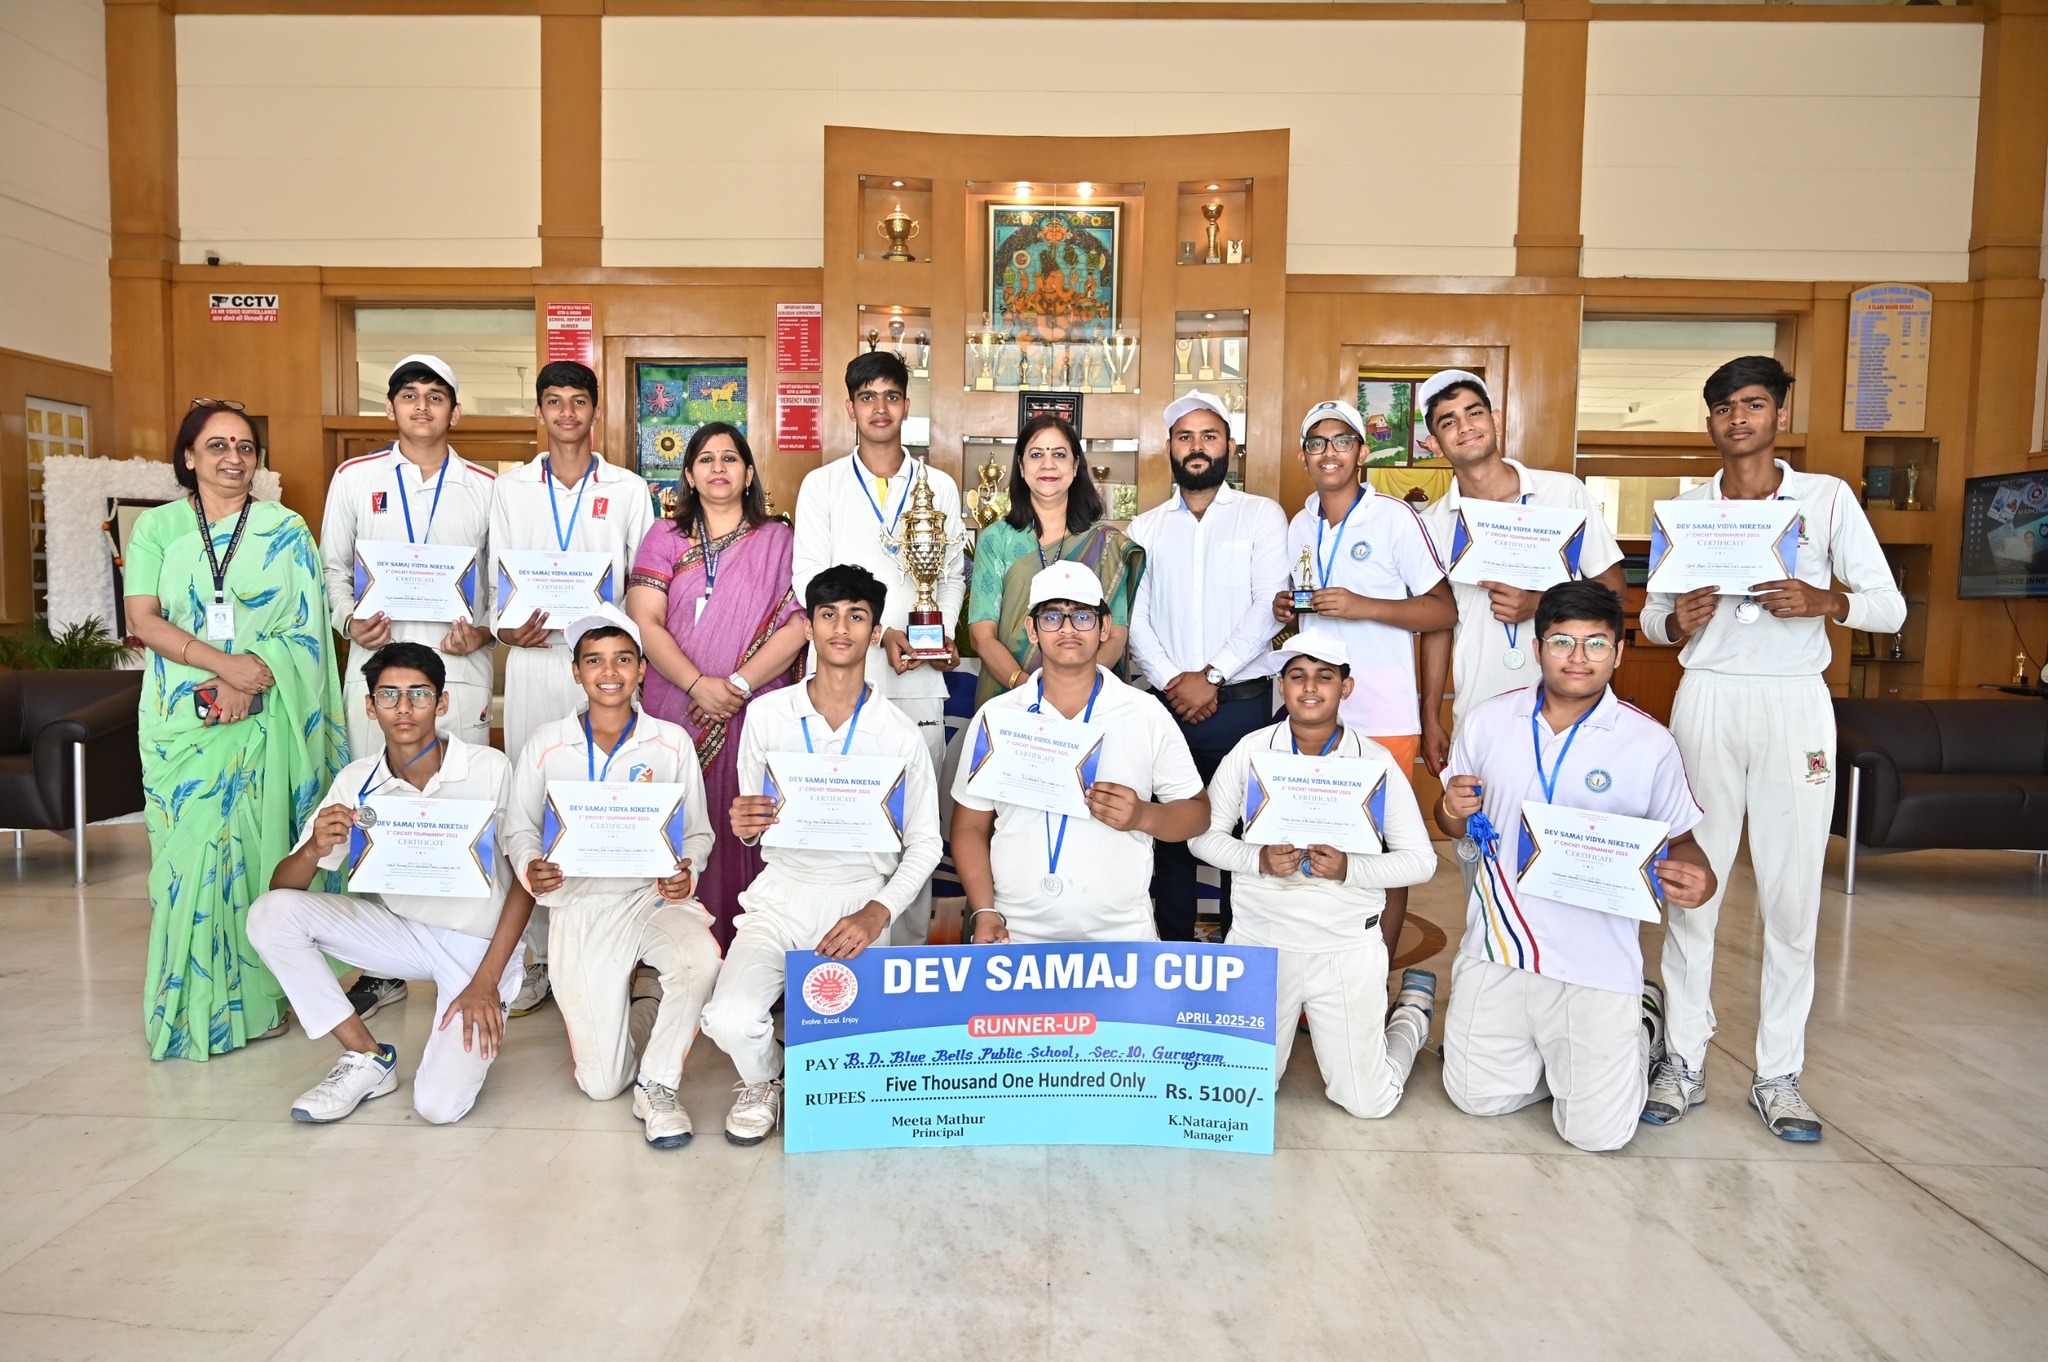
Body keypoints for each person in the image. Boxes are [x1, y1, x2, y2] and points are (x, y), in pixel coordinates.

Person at [1639, 356, 1903, 1142]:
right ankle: (1683, 1060)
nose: (1738, 419)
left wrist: (1827, 600)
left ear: (1780, 415)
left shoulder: (1825, 499)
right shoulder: (1686, 509)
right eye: (1724, 407)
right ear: (1710, 421)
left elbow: (1889, 607)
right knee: (1691, 883)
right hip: (1708, 696)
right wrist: (1676, 619)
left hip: (1794, 702)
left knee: (1792, 895)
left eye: (1753, 404)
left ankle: (1778, 1074)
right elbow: (1649, 620)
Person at [1434, 581, 1717, 1152]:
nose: (1578, 657)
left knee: (1597, 1136)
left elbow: (1683, 841)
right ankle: (1558, 1061)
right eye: (1562, 641)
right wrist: (1451, 809)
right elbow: (1454, 826)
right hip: (1499, 946)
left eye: (1596, 644)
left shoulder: (1649, 742)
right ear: (1538, 647)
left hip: (1597, 961)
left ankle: (1641, 1021)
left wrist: (1698, 878)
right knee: (1476, 1098)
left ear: (1619, 652)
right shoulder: (1489, 721)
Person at [125, 399, 347, 1060]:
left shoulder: (285, 530)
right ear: (188, 456)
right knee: (185, 860)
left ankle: (259, 1001)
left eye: (245, 447)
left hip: (263, 715)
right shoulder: (158, 528)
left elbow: (307, 631)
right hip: (180, 717)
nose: (233, 457)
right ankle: (189, 1005)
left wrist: (251, 679)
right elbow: (144, 619)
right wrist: (224, 667)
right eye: (217, 445)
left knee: (256, 853)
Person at [700, 564, 942, 1145]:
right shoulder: (767, 715)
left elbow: (926, 843)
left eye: (856, 617)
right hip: (781, 894)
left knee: (851, 1069)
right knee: (728, 1018)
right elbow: (754, 822)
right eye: (828, 615)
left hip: (860, 898)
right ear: (807, 627)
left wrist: (876, 913)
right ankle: (765, 1078)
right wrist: (745, 825)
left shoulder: (899, 732)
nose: (841, 628)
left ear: (875, 631)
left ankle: (816, 1064)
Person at [247, 642, 531, 1124]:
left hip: (480, 947)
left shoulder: (490, 768)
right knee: (269, 914)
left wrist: (486, 982)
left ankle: (478, 1007)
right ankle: (367, 1057)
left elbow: (525, 882)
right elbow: (282, 887)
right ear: (370, 705)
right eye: (388, 695)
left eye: (419, 694)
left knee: (439, 1108)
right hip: (404, 935)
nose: (403, 707)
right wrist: (314, 849)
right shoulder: (357, 780)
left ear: (442, 702)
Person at [1189, 630, 1439, 1118]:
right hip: (1261, 943)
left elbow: (1420, 860)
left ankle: (1412, 1010)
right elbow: (1202, 837)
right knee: (1241, 1096)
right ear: (1281, 685)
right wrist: (1258, 859)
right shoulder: (1251, 751)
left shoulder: (1375, 761)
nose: (1309, 687)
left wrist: (1350, 868)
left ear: (1346, 687)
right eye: (1297, 675)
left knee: (1368, 1102)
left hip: (1344, 946)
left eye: (1324, 677)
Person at [322, 354, 498, 1024]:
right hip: (378, 666)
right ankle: (379, 967)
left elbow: (500, 580)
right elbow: (332, 568)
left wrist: (484, 628)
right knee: (376, 806)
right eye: (409, 395)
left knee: (460, 805)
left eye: (435, 396)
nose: (422, 407)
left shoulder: (486, 487)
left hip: (458, 669)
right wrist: (348, 620)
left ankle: (464, 956)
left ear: (455, 410)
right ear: (391, 407)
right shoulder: (354, 478)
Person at [503, 606, 720, 1149]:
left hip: (651, 897)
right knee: (601, 1085)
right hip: (580, 905)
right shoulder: (546, 743)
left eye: (623, 659)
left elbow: (697, 833)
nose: (609, 672)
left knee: (698, 961)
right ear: (575, 671)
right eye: (594, 660)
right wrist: (531, 867)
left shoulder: (670, 742)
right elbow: (518, 828)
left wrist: (687, 871)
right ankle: (646, 1010)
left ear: (642, 669)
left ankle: (658, 1085)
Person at [490, 360, 655, 1017]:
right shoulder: (511, 489)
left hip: (607, 667)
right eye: (554, 402)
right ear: (540, 412)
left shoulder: (628, 488)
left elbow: (643, 582)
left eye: (578, 402)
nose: (566, 413)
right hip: (535, 660)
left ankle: (624, 951)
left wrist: (627, 651)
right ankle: (538, 955)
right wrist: (505, 629)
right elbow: (496, 583)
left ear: (595, 411)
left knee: (613, 797)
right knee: (534, 801)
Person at [791, 350, 965, 945]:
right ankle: (832, 955)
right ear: (851, 408)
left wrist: (938, 634)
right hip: (841, 677)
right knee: (840, 821)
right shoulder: (822, 485)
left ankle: (905, 961)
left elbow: (951, 575)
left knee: (915, 828)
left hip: (918, 677)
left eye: (891, 396)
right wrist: (883, 631)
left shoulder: (939, 486)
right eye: (868, 397)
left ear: (907, 406)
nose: (880, 408)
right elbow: (809, 578)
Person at [1274, 399, 1457, 954]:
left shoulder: (1394, 518)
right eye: (1316, 442)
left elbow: (1443, 610)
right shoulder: (1300, 523)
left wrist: (1363, 605)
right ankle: (1325, 964)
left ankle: (1375, 975)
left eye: (1341, 441)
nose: (1328, 452)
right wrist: (1287, 609)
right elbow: (1310, 609)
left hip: (1383, 714)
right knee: (1318, 842)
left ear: (1361, 453)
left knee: (1384, 850)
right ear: (1304, 455)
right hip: (1313, 716)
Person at [952, 561, 1208, 945]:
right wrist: (985, 911)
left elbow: (1198, 814)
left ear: (1104, 627)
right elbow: (970, 826)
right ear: (1032, 629)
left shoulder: (1144, 712)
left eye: (1082, 616)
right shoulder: (999, 715)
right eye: (1052, 616)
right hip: (1015, 931)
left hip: (1122, 933)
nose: (1068, 629)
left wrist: (1143, 815)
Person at [626, 421, 809, 948]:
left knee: (749, 820)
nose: (718, 468)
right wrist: (696, 685)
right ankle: (673, 954)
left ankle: (754, 954)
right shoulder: (664, 537)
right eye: (706, 459)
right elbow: (644, 620)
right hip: (675, 705)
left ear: (749, 473)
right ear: (689, 474)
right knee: (679, 821)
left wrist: (736, 685)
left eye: (730, 458)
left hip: (754, 708)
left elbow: (799, 624)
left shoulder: (780, 540)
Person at [1129, 391, 1291, 941]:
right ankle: (1173, 950)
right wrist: (1175, 682)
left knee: (1241, 837)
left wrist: (1212, 676)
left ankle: (1238, 954)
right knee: (1170, 837)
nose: (1197, 447)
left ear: (1230, 446)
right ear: (1169, 449)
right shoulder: (1144, 528)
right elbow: (1134, 617)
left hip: (1241, 706)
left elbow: (1269, 606)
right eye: (1185, 437)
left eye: (1209, 436)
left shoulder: (1261, 516)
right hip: (1167, 708)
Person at [1415, 369, 1626, 776]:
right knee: (1479, 813)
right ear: (1435, 443)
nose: (1465, 427)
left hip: (1572, 696)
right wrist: (1430, 717)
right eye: (1448, 422)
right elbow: (1438, 626)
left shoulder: (1564, 492)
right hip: (1479, 703)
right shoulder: (1432, 525)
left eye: (1474, 412)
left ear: (1495, 419)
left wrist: (1539, 604)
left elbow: (1615, 591)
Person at [966, 411, 1138, 706]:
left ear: (1075, 465)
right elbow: (982, 634)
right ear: (1021, 467)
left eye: (1059, 454)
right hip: (1011, 697)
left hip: (1088, 700)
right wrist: (1028, 689)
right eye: (1036, 455)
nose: (1048, 464)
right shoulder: (997, 539)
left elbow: (1116, 633)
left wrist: (1075, 690)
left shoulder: (1106, 542)